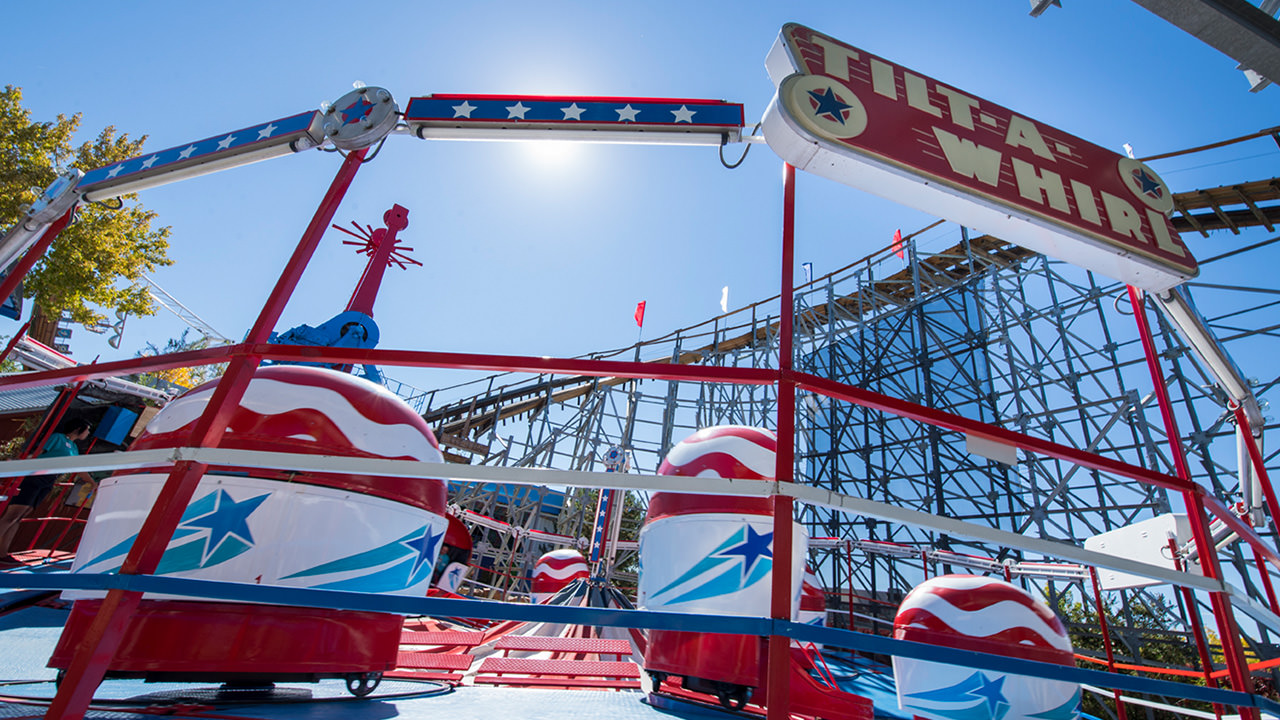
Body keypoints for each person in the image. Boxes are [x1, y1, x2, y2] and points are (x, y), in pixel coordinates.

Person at [0, 417, 93, 560]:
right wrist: (17, 463)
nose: (88, 433)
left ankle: (2, 552)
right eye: (87, 429)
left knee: (20, 516)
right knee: (12, 515)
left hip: (48, 480)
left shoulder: (74, 447)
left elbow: (78, 467)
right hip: (35, 477)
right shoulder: (58, 438)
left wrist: (92, 482)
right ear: (78, 428)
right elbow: (38, 453)